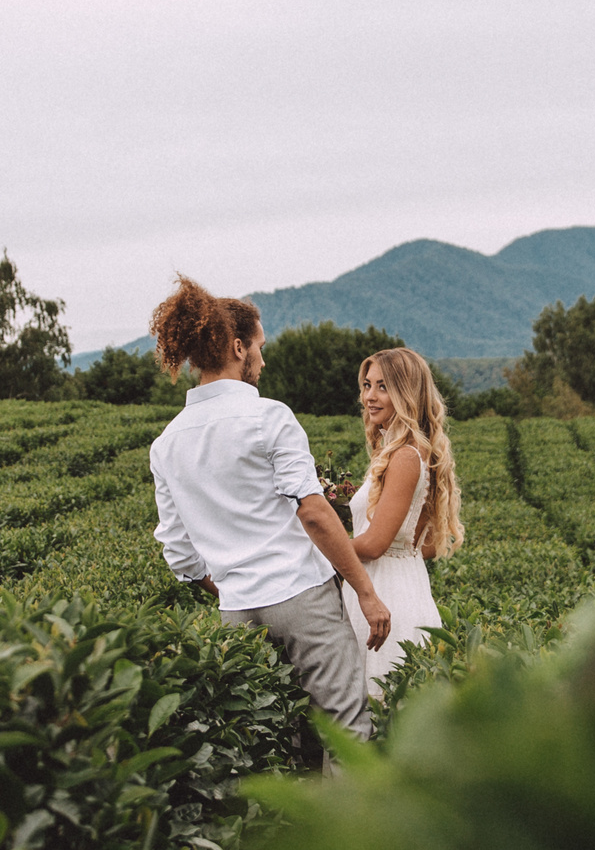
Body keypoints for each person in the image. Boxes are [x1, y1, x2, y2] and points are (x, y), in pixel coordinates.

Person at [147, 277, 392, 750]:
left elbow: (179, 554)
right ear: (238, 348)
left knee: (266, 743)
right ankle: (345, 825)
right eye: (259, 346)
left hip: (236, 612)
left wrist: (234, 587)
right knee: (346, 730)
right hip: (301, 595)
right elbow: (315, 513)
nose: (263, 357)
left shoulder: (167, 443)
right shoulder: (269, 417)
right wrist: (366, 592)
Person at [340, 347, 462, 691]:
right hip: (402, 582)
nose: (370, 397)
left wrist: (320, 549)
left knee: (375, 704)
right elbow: (424, 546)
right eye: (367, 385)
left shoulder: (406, 456)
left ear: (406, 393)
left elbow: (376, 543)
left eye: (383, 387)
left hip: (386, 592)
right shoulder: (406, 451)